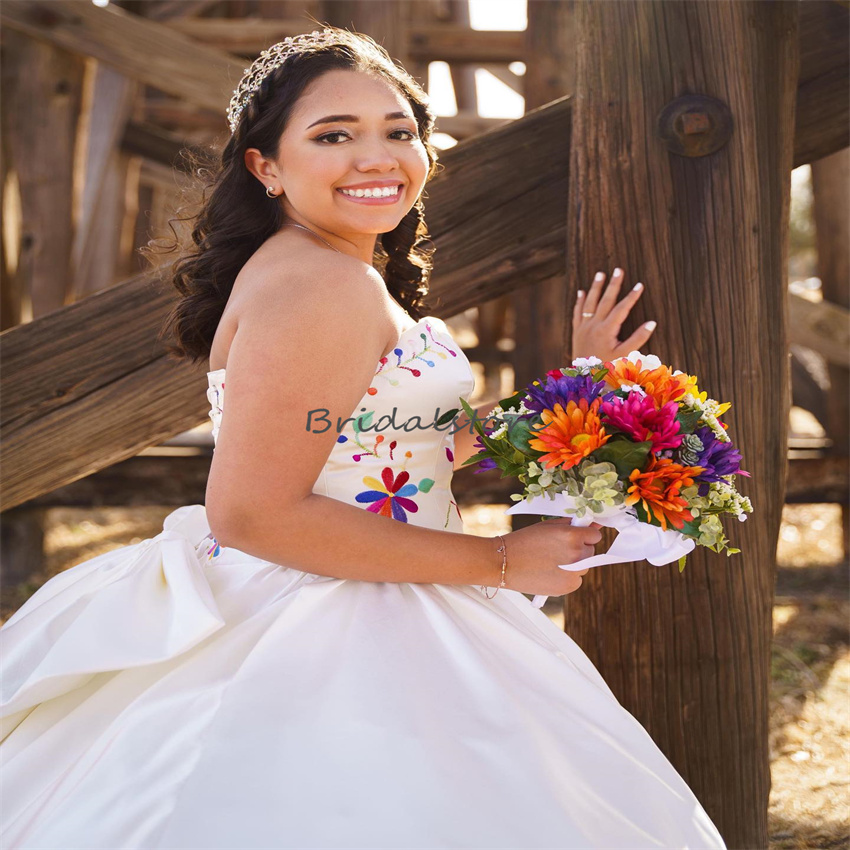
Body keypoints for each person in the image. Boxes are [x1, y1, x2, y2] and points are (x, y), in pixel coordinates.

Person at [0, 26, 726, 850]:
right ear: (266, 166)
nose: (376, 158)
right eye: (333, 135)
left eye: (398, 131)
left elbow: (402, 445)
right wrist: (499, 560)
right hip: (328, 607)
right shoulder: (323, 284)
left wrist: (580, 393)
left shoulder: (326, 268)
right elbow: (253, 513)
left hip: (367, 573)